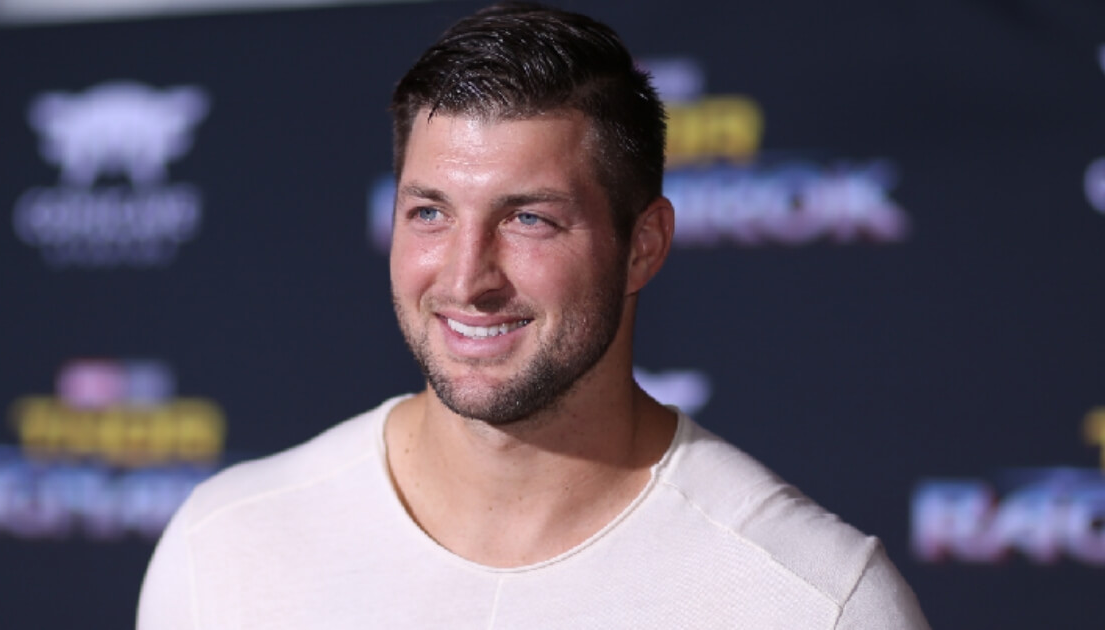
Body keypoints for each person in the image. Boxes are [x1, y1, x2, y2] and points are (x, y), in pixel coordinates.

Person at [137, 3, 930, 628]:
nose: (466, 276)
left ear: (645, 244)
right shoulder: (228, 550)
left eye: (529, 219)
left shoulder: (812, 604)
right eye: (429, 213)